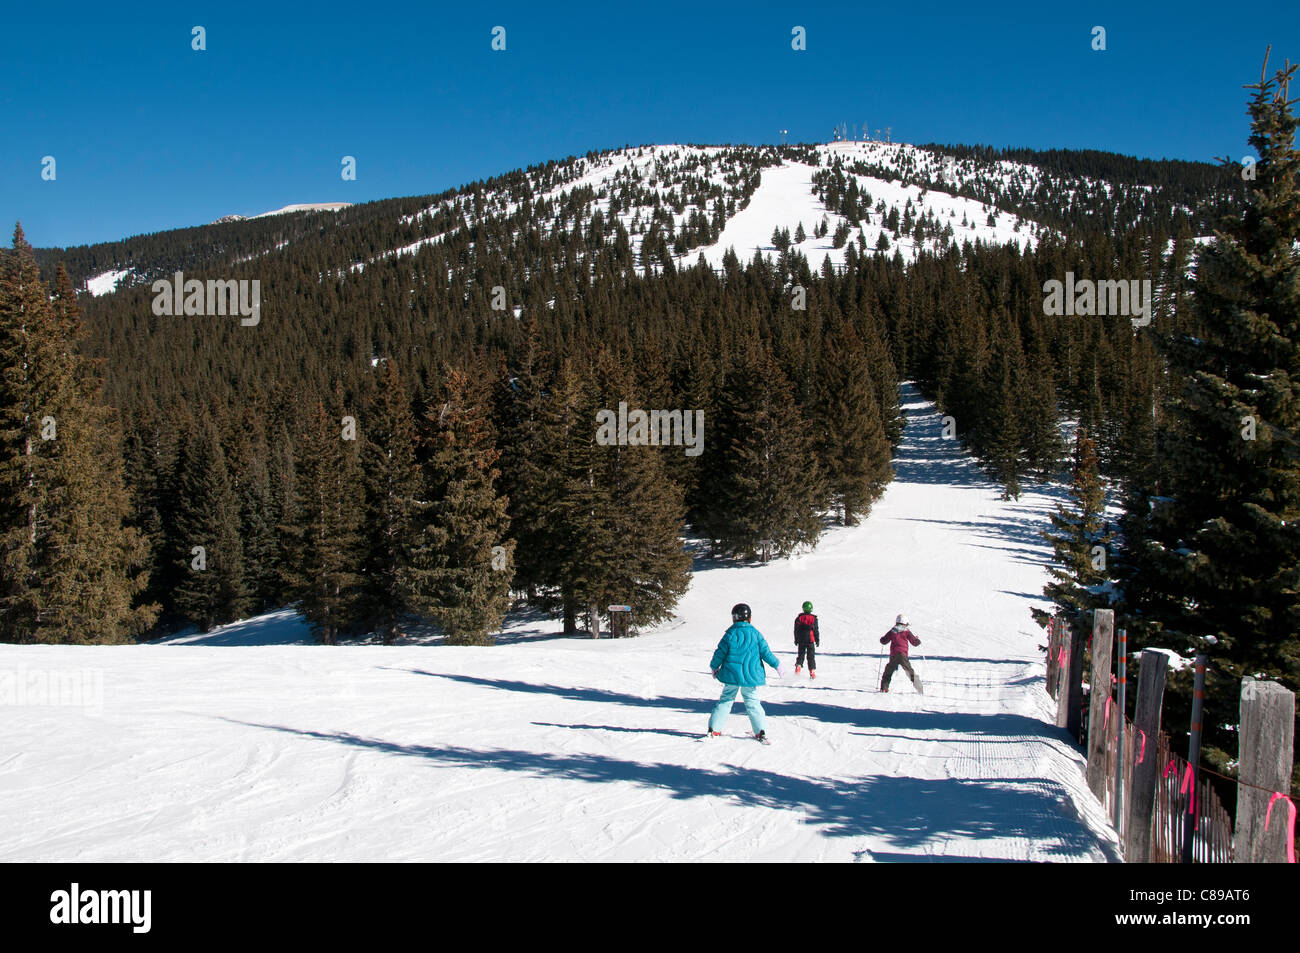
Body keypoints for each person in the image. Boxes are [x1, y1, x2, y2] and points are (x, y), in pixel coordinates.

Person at [707, 603, 782, 742]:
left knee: (726, 699)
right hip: (750, 675)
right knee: (752, 700)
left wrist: (714, 666)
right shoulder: (756, 633)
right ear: (749, 618)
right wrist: (776, 665)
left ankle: (714, 729)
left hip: (731, 674)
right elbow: (766, 652)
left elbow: (720, 652)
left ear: (734, 619)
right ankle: (761, 731)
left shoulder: (730, 633)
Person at [880, 613, 923, 694]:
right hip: (903, 655)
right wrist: (918, 641)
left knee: (888, 671)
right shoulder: (906, 631)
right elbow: (914, 642)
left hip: (894, 655)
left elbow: (884, 641)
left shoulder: (892, 631)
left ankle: (884, 688)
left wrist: (882, 639)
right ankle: (920, 688)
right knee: (909, 671)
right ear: (905, 623)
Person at [793, 600, 820, 678]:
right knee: (810, 656)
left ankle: (798, 667)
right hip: (810, 640)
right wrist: (817, 639)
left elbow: (796, 630)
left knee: (801, 654)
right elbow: (816, 630)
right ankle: (812, 671)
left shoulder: (799, 618)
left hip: (801, 639)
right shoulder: (814, 619)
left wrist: (796, 639)